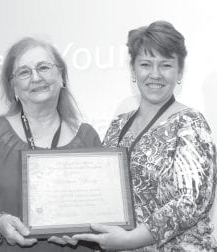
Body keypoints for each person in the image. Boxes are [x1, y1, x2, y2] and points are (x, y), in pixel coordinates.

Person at [0, 37, 101, 252]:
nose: (36, 78)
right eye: (24, 72)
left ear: (62, 75)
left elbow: (102, 215)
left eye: (43, 67)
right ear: (14, 87)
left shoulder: (87, 138)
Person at [73, 21, 217, 251]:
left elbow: (191, 202)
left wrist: (130, 240)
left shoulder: (190, 124)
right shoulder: (118, 125)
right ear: (133, 70)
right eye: (145, 64)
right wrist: (73, 229)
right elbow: (101, 192)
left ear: (180, 71)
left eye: (166, 65)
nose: (155, 74)